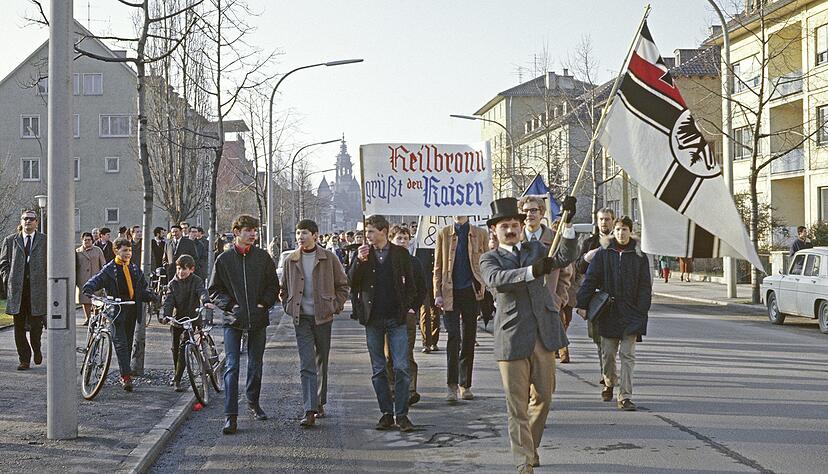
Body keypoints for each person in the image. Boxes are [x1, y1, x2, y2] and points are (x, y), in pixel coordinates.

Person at [479, 196, 578, 473]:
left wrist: (568, 226)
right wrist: (531, 271)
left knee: (544, 398)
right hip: (512, 337)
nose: (510, 230)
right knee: (517, 404)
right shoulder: (489, 258)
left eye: (514, 224)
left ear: (521, 226)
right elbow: (498, 280)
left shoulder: (537, 248)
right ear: (495, 231)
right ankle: (523, 461)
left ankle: (530, 446)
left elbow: (564, 257)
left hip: (543, 333)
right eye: (504, 227)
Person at [208, 214, 279, 435]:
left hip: (257, 319)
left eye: (254, 230)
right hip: (233, 320)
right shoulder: (224, 260)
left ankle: (253, 401)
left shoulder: (263, 258)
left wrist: (263, 304)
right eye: (248, 230)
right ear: (236, 232)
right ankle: (231, 416)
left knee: (256, 364)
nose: (252, 234)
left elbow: (273, 285)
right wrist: (231, 306)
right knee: (232, 366)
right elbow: (214, 290)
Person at [348, 214, 417, 432]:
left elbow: (413, 285)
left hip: (396, 318)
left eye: (371, 232)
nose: (366, 236)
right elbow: (351, 281)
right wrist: (359, 262)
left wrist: (407, 306)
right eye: (366, 232)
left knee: (401, 367)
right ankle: (386, 413)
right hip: (373, 318)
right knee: (378, 369)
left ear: (384, 232)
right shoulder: (362, 255)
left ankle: (402, 414)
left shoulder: (400, 255)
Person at [576, 216, 651, 412]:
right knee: (608, 353)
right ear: (613, 232)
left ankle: (625, 396)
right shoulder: (604, 253)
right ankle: (609, 382)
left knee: (628, 355)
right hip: (608, 313)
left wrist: (642, 310)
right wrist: (582, 303)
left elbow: (645, 286)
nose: (621, 233)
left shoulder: (639, 255)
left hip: (631, 313)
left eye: (624, 229)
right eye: (617, 229)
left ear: (630, 231)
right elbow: (590, 280)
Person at [280, 219, 349, 427]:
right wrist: (288, 306)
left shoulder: (328, 258)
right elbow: (283, 289)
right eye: (298, 233)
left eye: (304, 233)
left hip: (323, 317)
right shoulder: (291, 260)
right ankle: (309, 409)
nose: (300, 237)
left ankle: (320, 401)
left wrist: (334, 306)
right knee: (306, 363)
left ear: (316, 236)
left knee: (321, 360)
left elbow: (343, 285)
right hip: (301, 318)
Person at [82, 238, 157, 390]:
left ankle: (125, 373)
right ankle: (126, 376)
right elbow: (98, 279)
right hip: (115, 310)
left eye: (129, 250)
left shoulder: (134, 269)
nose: (127, 253)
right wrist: (89, 287)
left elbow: (141, 289)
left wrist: (150, 295)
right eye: (124, 250)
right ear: (116, 251)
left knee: (128, 343)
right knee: (121, 343)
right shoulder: (110, 268)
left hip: (130, 309)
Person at [433, 216, 488, 402]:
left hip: (471, 291)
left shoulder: (480, 233)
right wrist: (437, 292)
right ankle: (452, 385)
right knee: (453, 336)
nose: (459, 213)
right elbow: (438, 265)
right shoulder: (444, 233)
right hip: (450, 291)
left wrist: (486, 286)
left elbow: (486, 262)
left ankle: (466, 385)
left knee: (469, 338)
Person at [519, 196, 575, 363]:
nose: (529, 214)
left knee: (544, 361)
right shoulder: (514, 238)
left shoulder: (554, 239)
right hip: (522, 307)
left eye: (533, 210)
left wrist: (558, 299)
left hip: (547, 306)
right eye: (525, 211)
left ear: (542, 213)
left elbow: (566, 271)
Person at [0, 211, 47, 371]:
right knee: (19, 327)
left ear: (36, 222)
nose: (28, 221)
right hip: (18, 290)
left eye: (31, 219)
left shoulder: (44, 240)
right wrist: (8, 279)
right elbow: (3, 264)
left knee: (36, 327)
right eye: (25, 219)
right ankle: (24, 359)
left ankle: (37, 349)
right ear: (21, 221)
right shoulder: (11, 240)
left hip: (37, 290)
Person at [386, 225, 427, 406]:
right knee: (389, 355)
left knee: (406, 352)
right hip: (387, 314)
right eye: (398, 239)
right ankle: (392, 389)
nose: (402, 242)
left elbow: (421, 288)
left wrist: (413, 308)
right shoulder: (385, 261)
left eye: (405, 238)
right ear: (391, 240)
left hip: (407, 315)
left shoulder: (414, 262)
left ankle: (410, 390)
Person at [575, 207, 615, 384]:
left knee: (614, 341)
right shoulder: (590, 242)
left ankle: (609, 372)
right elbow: (578, 268)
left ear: (613, 221)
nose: (604, 223)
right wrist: (586, 258)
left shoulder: (619, 241)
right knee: (599, 339)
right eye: (601, 219)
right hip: (597, 299)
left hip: (616, 297)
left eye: (607, 219)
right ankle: (605, 372)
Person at [161, 254, 211, 392]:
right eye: (178, 269)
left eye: (184, 269)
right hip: (178, 320)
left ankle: (177, 379)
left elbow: (202, 292)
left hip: (193, 319)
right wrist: (166, 315)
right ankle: (178, 371)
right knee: (175, 349)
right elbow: (169, 301)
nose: (180, 272)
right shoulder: (173, 283)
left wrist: (205, 301)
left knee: (185, 348)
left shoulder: (196, 281)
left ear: (192, 269)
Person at [75, 232, 107, 326]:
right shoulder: (78, 251)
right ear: (82, 241)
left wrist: (103, 276)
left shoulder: (97, 250)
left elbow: (103, 264)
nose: (87, 241)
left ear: (92, 240)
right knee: (85, 300)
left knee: (96, 300)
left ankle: (96, 318)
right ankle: (88, 318)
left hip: (95, 278)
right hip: (83, 279)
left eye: (89, 240)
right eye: (85, 240)